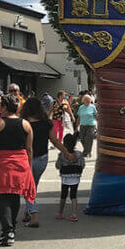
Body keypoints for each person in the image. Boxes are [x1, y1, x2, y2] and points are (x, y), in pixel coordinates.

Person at [20, 97, 74, 227]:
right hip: (42, 159)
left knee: (28, 187)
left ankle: (33, 215)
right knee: (33, 185)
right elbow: (55, 141)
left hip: (27, 158)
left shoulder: (23, 123)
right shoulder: (46, 123)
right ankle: (28, 211)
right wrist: (67, 153)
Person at [0, 94, 35, 246]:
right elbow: (29, 149)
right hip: (21, 163)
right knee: (15, 196)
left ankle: (7, 231)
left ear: (3, 107)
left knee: (2, 197)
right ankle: (10, 231)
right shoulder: (26, 124)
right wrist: (28, 167)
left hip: (2, 163)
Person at [56, 133, 84, 222]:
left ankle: (60, 213)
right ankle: (74, 214)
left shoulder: (62, 155)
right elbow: (82, 164)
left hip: (65, 177)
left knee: (63, 195)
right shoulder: (79, 154)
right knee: (73, 195)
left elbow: (58, 165)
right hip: (75, 176)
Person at [76, 93, 98, 158]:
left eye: (89, 100)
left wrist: (99, 123)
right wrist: (76, 126)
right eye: (87, 100)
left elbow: (96, 115)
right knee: (82, 138)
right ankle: (87, 151)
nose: (88, 102)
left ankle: (87, 152)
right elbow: (79, 117)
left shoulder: (92, 107)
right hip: (82, 125)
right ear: (84, 100)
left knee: (89, 139)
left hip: (91, 125)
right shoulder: (81, 107)